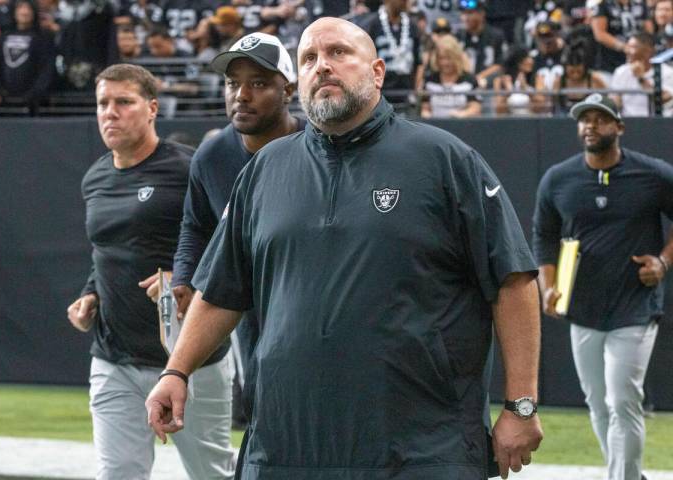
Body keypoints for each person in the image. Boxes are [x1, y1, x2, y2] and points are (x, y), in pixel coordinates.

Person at [147, 16, 543, 480]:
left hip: (421, 450)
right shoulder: (263, 170)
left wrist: (521, 404)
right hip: (285, 447)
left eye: (338, 53)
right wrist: (176, 372)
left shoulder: (444, 159)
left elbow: (513, 281)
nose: (323, 66)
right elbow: (220, 292)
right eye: (310, 58)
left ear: (377, 72)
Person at [66, 63, 235, 480]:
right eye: (103, 103)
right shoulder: (96, 177)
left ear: (152, 108)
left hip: (190, 358)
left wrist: (184, 278)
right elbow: (104, 250)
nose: (110, 112)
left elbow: (230, 243)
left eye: (124, 102)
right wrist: (91, 293)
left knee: (212, 473)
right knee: (118, 473)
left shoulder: (190, 168)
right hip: (114, 358)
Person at [141, 31, 304, 432]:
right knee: (265, 411)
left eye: (259, 83)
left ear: (290, 89)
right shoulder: (212, 156)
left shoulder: (318, 145)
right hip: (248, 308)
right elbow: (195, 226)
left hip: (312, 301)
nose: (242, 95)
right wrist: (184, 276)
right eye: (233, 83)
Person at [533, 93, 673, 480]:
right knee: (597, 404)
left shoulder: (654, 174)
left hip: (635, 307)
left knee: (623, 400)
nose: (590, 125)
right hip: (584, 308)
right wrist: (548, 286)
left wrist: (662, 261)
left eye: (600, 118)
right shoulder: (558, 179)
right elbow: (543, 236)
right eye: (584, 119)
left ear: (619, 127)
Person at [0, 0, 56, 115]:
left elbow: (47, 67)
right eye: (20, 8)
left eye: (28, 8)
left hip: (33, 102)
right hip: (4, 101)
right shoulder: (4, 35)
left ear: (34, 12)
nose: (24, 12)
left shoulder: (43, 36)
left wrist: (36, 92)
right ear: (14, 12)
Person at [610, 32, 673, 117]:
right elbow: (615, 103)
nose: (626, 51)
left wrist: (641, 79)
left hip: (657, 123)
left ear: (648, 51)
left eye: (632, 47)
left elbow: (663, 99)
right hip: (628, 123)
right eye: (627, 47)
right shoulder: (621, 71)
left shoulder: (667, 72)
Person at [420, 33, 481, 118]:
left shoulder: (469, 79)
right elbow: (425, 108)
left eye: (449, 58)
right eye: (441, 58)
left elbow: (476, 108)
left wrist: (462, 114)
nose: (445, 63)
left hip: (462, 126)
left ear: (456, 58)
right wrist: (426, 115)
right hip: (435, 126)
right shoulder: (430, 80)